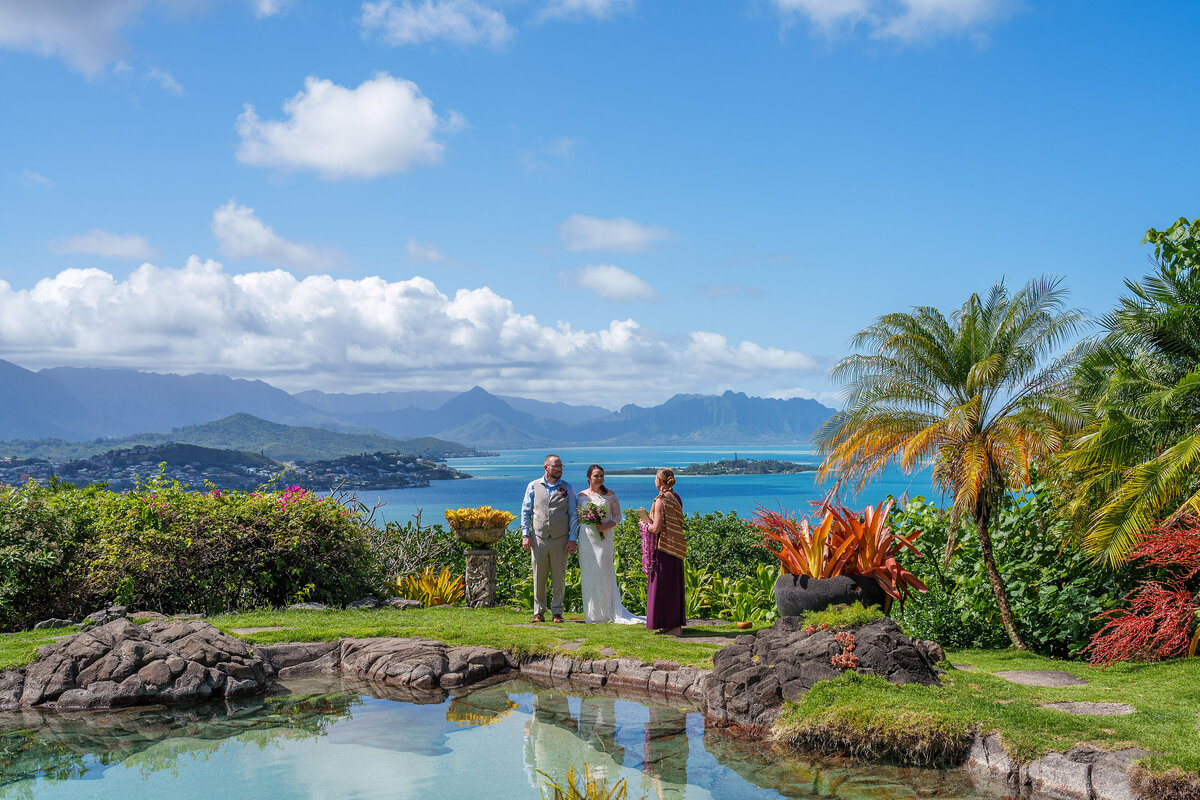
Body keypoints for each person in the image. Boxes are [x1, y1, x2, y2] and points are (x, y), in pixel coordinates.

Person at [577, 464, 644, 625]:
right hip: (586, 538)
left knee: (604, 570)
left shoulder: (610, 495)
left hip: (604, 537)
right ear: (588, 478)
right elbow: (577, 517)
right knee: (589, 573)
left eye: (601, 475)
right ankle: (592, 613)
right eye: (596, 476)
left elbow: (617, 517)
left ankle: (607, 611)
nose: (599, 478)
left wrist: (606, 526)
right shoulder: (581, 495)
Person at [520, 454, 579, 623]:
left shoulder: (568, 488)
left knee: (559, 577)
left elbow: (573, 514)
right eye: (556, 466)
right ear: (546, 467)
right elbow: (526, 511)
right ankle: (538, 612)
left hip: (560, 539)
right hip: (538, 538)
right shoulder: (533, 486)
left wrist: (572, 538)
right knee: (539, 576)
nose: (560, 469)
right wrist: (525, 534)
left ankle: (557, 612)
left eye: (561, 466)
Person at [643, 468, 685, 636]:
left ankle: (670, 626)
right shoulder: (676, 498)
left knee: (661, 586)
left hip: (663, 548)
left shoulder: (660, 500)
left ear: (659, 481)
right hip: (676, 547)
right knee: (673, 587)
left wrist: (644, 524)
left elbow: (656, 527)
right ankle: (673, 624)